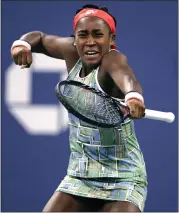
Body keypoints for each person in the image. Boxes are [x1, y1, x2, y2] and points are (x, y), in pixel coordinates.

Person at [11, 4, 148, 212]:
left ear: (111, 40)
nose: (90, 41)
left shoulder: (112, 59)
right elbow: (38, 38)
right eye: (83, 35)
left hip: (124, 177)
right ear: (75, 39)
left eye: (98, 35)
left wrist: (133, 96)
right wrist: (21, 45)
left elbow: (126, 75)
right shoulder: (70, 51)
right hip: (79, 176)